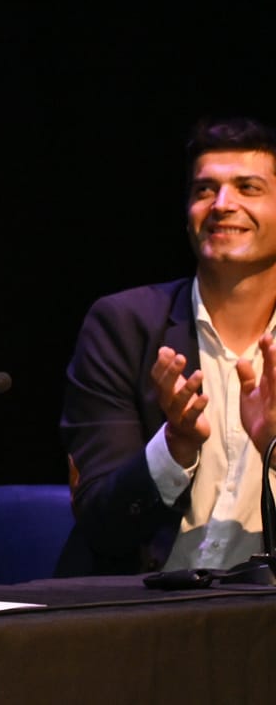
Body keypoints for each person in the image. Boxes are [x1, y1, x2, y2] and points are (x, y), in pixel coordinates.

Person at [59, 115, 275, 574]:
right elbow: (101, 525)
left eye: (248, 188)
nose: (222, 205)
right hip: (147, 608)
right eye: (204, 190)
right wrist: (174, 447)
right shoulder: (123, 326)